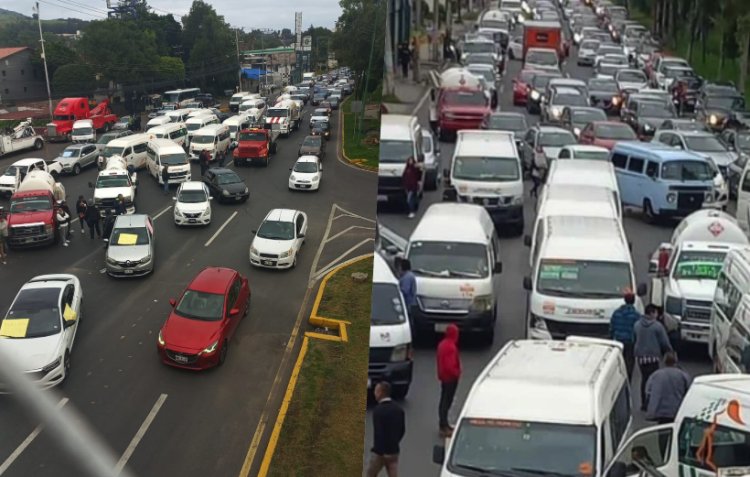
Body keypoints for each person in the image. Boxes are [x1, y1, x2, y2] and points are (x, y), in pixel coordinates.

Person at [634, 304, 673, 412]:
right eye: (655, 313)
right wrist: (669, 350)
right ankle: (651, 402)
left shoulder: (637, 325)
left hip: (641, 358)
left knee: (644, 379)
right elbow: (664, 341)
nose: (657, 315)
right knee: (653, 381)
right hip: (653, 358)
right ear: (651, 313)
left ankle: (643, 403)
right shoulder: (657, 326)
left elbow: (635, 338)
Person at [367, 381, 405, 477]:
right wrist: (395, 442)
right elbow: (402, 430)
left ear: (380, 392)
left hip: (380, 452)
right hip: (393, 451)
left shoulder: (378, 411)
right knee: (393, 473)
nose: (374, 393)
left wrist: (378, 450)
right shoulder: (398, 409)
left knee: (371, 473)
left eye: (376, 391)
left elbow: (379, 433)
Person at [645, 351, 692, 425]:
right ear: (676, 361)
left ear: (664, 361)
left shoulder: (655, 375)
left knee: (662, 431)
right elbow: (689, 392)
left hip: (660, 412)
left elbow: (648, 392)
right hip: (677, 410)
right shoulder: (682, 375)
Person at [610, 289, 640, 380]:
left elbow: (612, 327)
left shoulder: (617, 313)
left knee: (619, 362)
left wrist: (612, 337)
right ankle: (627, 380)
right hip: (630, 341)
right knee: (629, 363)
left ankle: (619, 378)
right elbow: (638, 330)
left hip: (618, 340)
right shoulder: (636, 315)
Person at [437, 324, 461, 438]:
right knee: (447, 401)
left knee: (444, 400)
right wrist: (457, 373)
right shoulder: (450, 347)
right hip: (450, 378)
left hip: (444, 377)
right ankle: (444, 426)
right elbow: (450, 365)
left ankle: (444, 424)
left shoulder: (442, 345)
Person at [398, 259, 417, 325]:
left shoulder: (407, 277)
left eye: (399, 267)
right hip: (411, 304)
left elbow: (405, 290)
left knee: (409, 322)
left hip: (408, 304)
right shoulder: (410, 275)